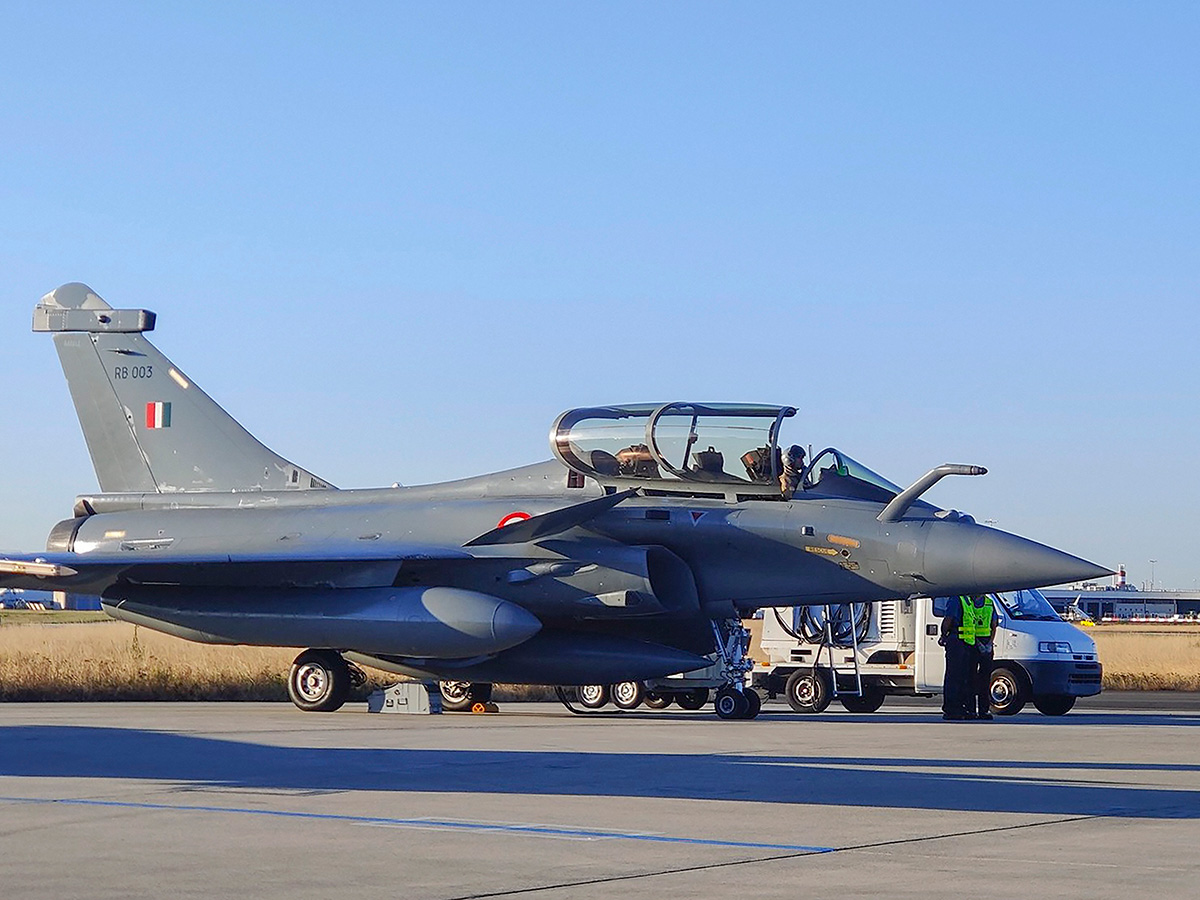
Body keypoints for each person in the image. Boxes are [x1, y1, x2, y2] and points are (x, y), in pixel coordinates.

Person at [963, 593, 997, 721]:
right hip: (983, 643)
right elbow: (994, 626)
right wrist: (989, 644)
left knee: (971, 679)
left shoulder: (969, 602)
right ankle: (982, 711)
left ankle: (972, 710)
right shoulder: (989, 603)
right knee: (983, 680)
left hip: (973, 643)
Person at [938, 597, 972, 720]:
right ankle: (953, 709)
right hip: (961, 642)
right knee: (957, 678)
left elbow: (948, 619)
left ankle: (955, 708)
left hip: (958, 641)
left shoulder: (956, 599)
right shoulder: (966, 600)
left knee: (955, 677)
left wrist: (943, 635)